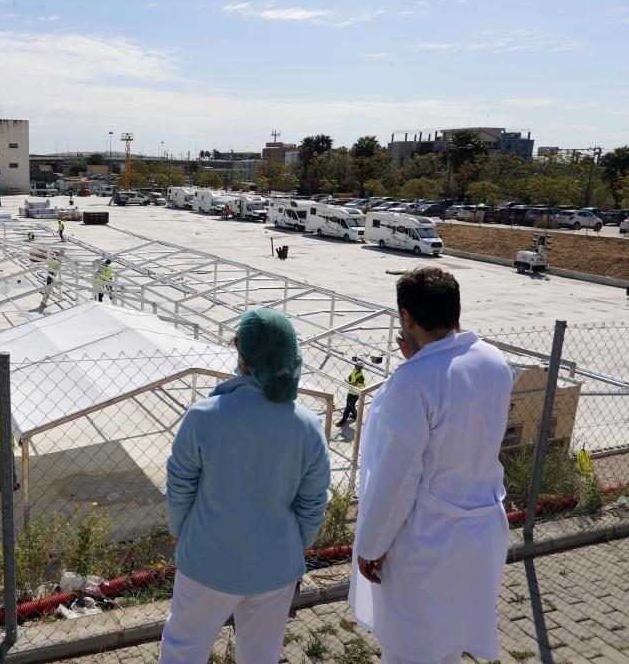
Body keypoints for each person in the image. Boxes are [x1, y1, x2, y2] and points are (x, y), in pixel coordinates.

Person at [350, 267, 513, 664]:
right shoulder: (493, 361)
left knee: (412, 650)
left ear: (406, 318)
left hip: (428, 541)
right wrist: (422, 358)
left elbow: (398, 477)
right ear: (456, 310)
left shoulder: (414, 382)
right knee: (449, 646)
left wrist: (371, 545)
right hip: (480, 532)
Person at [159, 308, 331, 664]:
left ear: (243, 356)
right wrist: (292, 546)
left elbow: (180, 487)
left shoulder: (204, 415)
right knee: (260, 654)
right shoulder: (307, 424)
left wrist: (180, 532)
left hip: (207, 560)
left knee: (183, 648)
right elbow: (313, 502)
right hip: (275, 567)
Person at [336, 357, 366, 426]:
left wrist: (349, 383)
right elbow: (350, 377)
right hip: (351, 391)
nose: (355, 366)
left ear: (361, 368)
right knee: (351, 405)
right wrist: (348, 380)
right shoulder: (354, 371)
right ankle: (355, 415)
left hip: (356, 393)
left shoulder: (361, 376)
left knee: (348, 406)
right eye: (355, 365)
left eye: (357, 366)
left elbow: (356, 383)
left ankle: (343, 420)